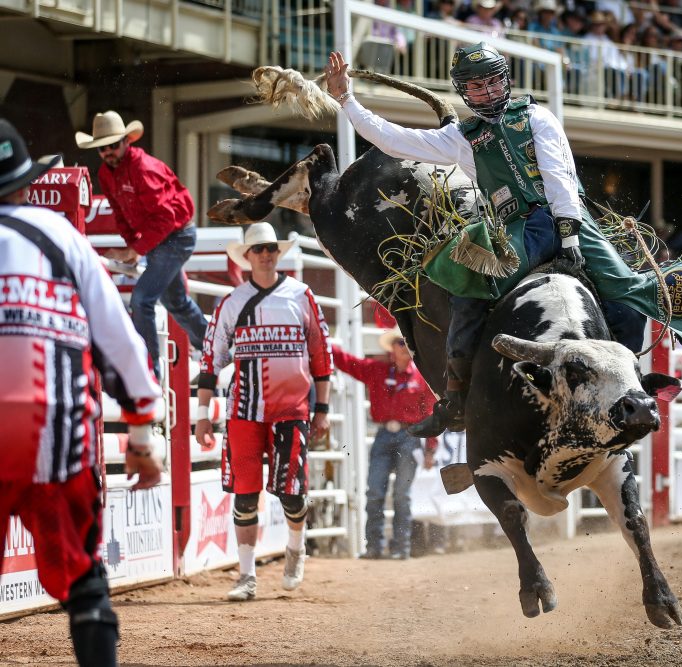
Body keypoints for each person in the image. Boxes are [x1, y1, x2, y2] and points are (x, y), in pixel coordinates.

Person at [324, 44, 682, 437]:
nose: (486, 92)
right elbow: (396, 140)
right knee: (467, 287)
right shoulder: (462, 136)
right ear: (464, 91)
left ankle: (629, 382)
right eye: (475, 86)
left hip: (567, 218)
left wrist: (568, 234)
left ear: (505, 81)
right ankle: (455, 398)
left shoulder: (537, 117)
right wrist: (347, 100)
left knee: (627, 289)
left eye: (491, 83)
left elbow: (558, 177)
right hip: (515, 229)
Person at [0, 118, 164, 666]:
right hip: (56, 424)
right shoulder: (64, 238)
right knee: (82, 577)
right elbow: (117, 337)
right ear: (27, 184)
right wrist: (142, 427)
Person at [194, 222, 331, 601]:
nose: (266, 254)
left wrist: (322, 408)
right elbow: (211, 359)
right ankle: (246, 574)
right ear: (248, 256)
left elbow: (321, 355)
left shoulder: (301, 296)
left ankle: (295, 547)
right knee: (244, 492)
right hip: (244, 408)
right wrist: (202, 412)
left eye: (271, 247)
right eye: (259, 249)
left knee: (290, 492)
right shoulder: (232, 303)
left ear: (277, 252)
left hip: (292, 407)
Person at [75, 111, 206, 378]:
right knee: (177, 302)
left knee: (142, 299)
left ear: (125, 142)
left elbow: (166, 217)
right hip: (162, 240)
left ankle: (150, 372)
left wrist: (135, 250)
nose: (108, 151)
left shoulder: (143, 168)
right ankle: (215, 349)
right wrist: (133, 246)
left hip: (176, 237)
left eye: (113, 144)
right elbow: (121, 216)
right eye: (103, 147)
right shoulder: (106, 173)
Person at [330, 327, 438, 559]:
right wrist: (324, 344)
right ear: (392, 348)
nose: (405, 347)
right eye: (401, 342)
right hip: (386, 435)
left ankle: (401, 548)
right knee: (375, 491)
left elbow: (430, 415)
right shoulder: (377, 371)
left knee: (401, 494)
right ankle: (375, 547)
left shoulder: (421, 378)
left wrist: (430, 449)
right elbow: (347, 362)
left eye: (408, 342)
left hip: (410, 437)